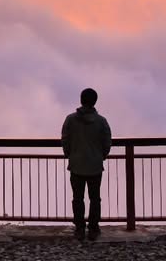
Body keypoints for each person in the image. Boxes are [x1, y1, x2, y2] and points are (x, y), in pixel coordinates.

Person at [61, 87, 112, 240]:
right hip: (95, 166)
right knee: (95, 198)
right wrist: (100, 156)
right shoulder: (102, 121)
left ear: (81, 100)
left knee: (78, 198)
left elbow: (65, 140)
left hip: (76, 165)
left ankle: (80, 228)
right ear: (95, 101)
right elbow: (107, 143)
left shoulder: (70, 120)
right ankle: (94, 228)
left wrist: (70, 154)